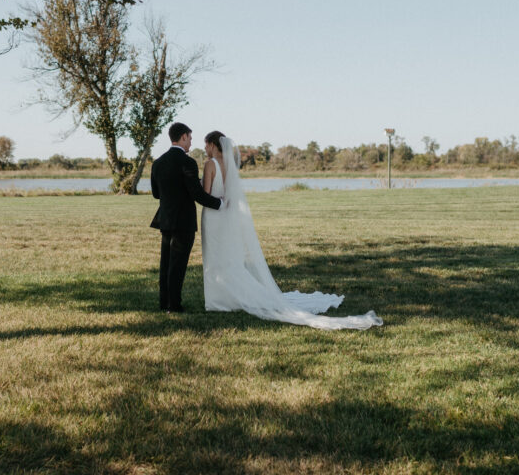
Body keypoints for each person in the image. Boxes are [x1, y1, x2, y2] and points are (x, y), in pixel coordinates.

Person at [200, 131, 382, 330]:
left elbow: (206, 193)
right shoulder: (230, 166)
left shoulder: (210, 165)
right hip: (228, 217)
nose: (205, 149)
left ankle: (219, 300)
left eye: (206, 145)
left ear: (211, 144)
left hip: (214, 217)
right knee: (229, 258)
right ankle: (230, 298)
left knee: (216, 257)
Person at [150, 122, 222, 312]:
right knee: (178, 265)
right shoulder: (188, 163)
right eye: (190, 138)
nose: (191, 142)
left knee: (166, 263)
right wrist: (220, 203)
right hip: (183, 221)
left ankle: (163, 302)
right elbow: (198, 195)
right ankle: (174, 305)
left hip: (165, 220)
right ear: (182, 137)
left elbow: (156, 194)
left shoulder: (158, 162)